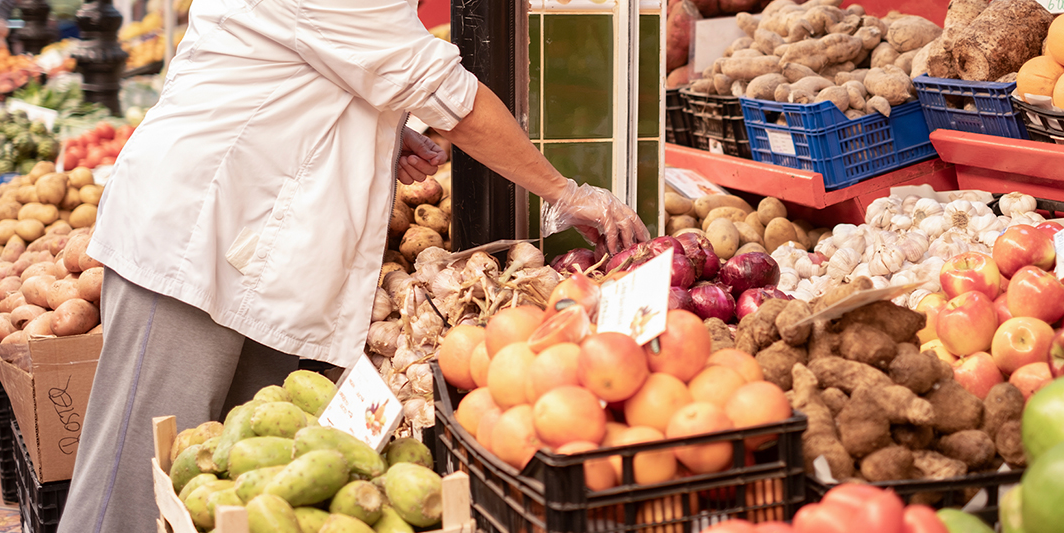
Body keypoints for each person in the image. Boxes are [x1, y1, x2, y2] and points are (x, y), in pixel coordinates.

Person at [56, 0, 650, 530]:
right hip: (197, 235)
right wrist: (563, 190)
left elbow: (313, 63)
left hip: (258, 247)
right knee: (134, 488)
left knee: (228, 484)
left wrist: (380, 137)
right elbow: (451, 98)